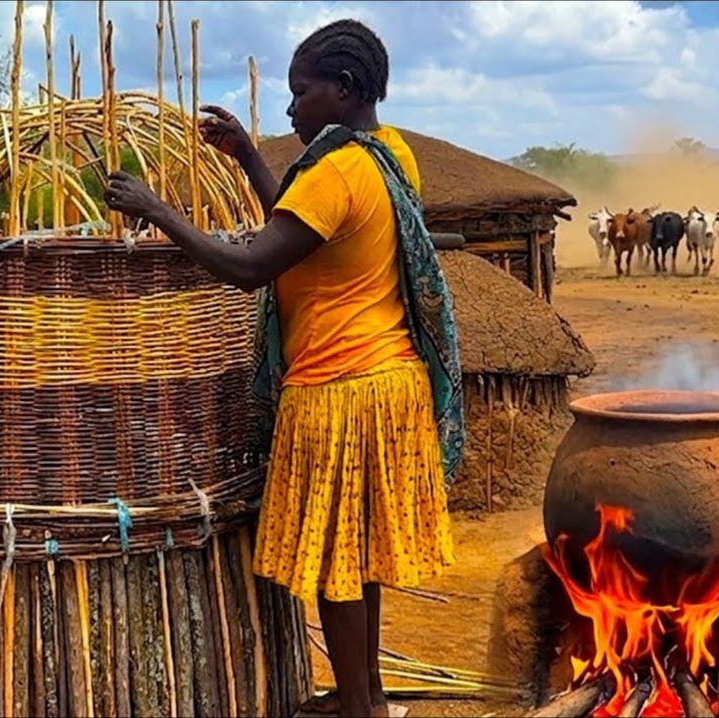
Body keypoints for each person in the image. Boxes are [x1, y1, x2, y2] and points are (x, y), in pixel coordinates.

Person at [103, 19, 463, 718]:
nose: (291, 108)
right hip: (387, 379)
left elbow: (251, 266)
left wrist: (157, 212)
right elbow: (299, 227)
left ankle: (358, 708)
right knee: (356, 557)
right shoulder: (387, 155)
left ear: (346, 89)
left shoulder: (337, 168)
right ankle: (367, 693)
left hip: (341, 388)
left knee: (336, 560)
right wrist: (245, 157)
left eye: (302, 93)